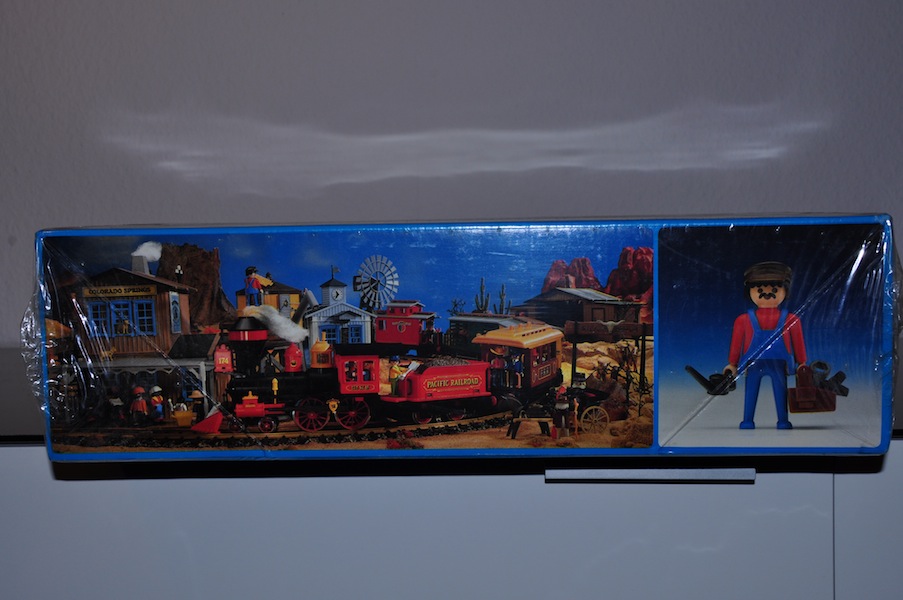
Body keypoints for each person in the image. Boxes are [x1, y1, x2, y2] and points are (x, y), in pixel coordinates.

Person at [724, 262, 807, 430]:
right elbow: (736, 343)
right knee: (750, 393)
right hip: (753, 365)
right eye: (760, 290)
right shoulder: (743, 320)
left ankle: (782, 420)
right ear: (749, 292)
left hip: (779, 365)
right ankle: (748, 420)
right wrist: (732, 364)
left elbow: (798, 343)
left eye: (775, 289)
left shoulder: (791, 319)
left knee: (781, 393)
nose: (767, 294)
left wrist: (802, 364)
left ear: (785, 291)